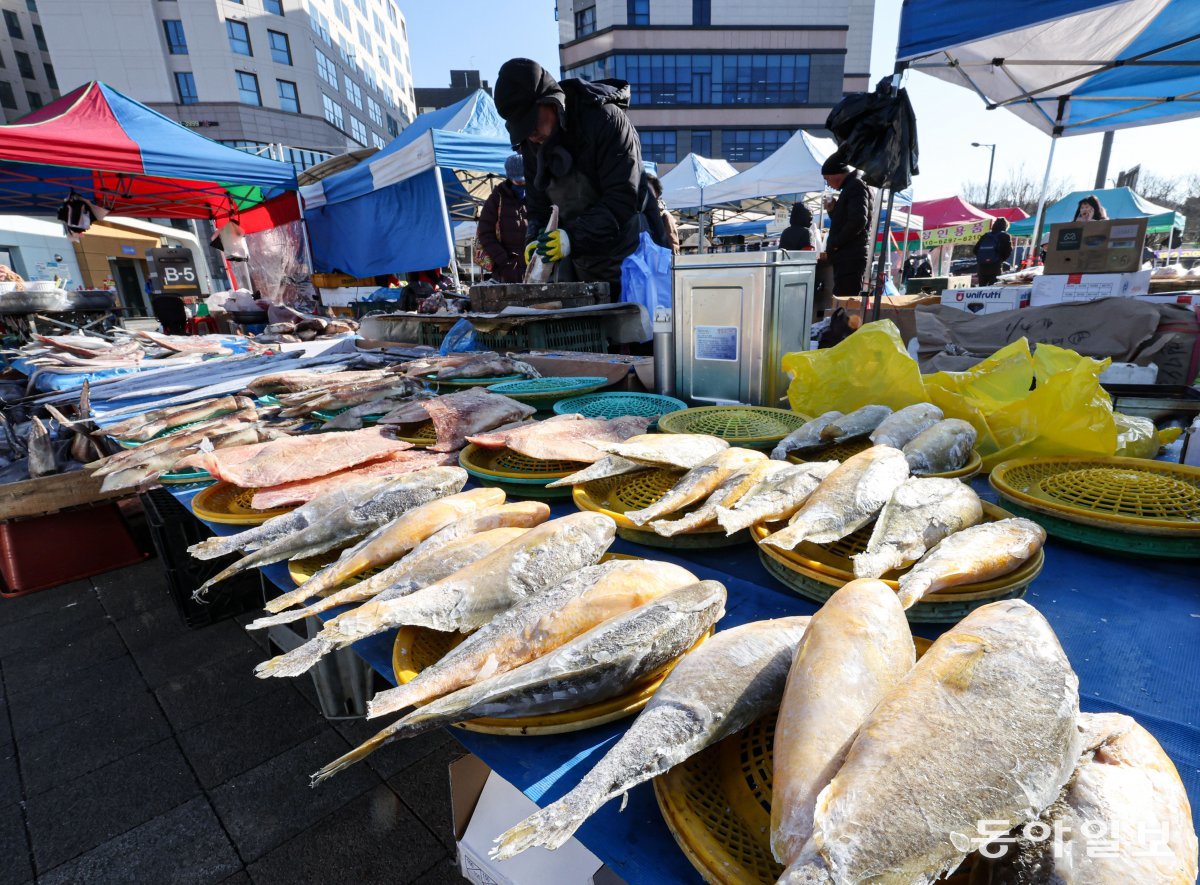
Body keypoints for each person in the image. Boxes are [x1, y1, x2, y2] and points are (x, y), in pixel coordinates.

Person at [493, 58, 643, 294]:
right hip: (580, 266)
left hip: (629, 262)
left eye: (532, 123)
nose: (531, 135)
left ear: (549, 101)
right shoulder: (531, 145)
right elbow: (537, 206)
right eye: (522, 129)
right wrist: (534, 237)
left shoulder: (606, 119)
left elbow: (622, 199)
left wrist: (570, 237)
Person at [819, 152, 873, 298]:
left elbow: (858, 221)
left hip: (850, 257)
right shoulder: (853, 185)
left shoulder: (855, 185)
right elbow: (850, 219)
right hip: (849, 256)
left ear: (836, 174)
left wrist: (836, 243)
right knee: (844, 301)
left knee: (846, 302)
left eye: (827, 179)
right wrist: (833, 210)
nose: (828, 183)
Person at [476, 153, 529, 283]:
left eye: (524, 180)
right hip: (507, 270)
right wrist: (503, 259)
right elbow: (485, 233)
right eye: (518, 180)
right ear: (509, 178)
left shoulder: (536, 195)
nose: (522, 184)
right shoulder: (496, 198)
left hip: (534, 266)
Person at [644, 173, 679, 253]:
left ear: (656, 193)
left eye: (648, 190)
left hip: (659, 261)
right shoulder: (639, 213)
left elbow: (673, 246)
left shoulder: (664, 215)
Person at [973, 217, 1013, 285]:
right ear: (1005, 227)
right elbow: (1008, 251)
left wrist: (983, 258)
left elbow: (975, 250)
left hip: (982, 267)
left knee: (981, 290)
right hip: (995, 266)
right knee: (993, 289)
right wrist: (1000, 259)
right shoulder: (1005, 236)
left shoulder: (986, 235)